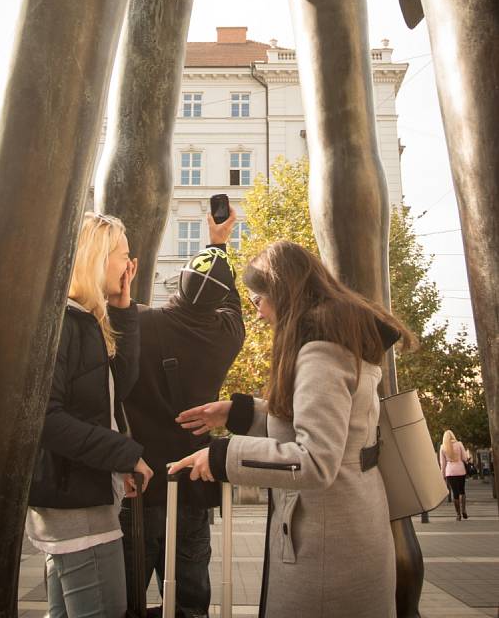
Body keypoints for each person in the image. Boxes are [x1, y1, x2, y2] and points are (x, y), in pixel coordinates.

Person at [169, 240, 415, 618]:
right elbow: (324, 421)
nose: (258, 313)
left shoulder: (321, 351)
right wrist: (237, 413)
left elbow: (316, 459)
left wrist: (221, 457)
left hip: (325, 543)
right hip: (345, 525)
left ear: (283, 294)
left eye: (257, 301)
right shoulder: (337, 339)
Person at [27, 212, 153, 618]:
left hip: (79, 496)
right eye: (123, 254)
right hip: (75, 506)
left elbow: (122, 384)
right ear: (97, 257)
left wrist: (123, 305)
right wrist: (124, 455)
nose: (129, 264)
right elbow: (44, 417)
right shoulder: (63, 322)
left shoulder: (83, 320)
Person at [121, 209, 245, 618]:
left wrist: (213, 244)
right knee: (190, 599)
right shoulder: (227, 336)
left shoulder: (137, 323)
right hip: (191, 483)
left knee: (127, 600)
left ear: (178, 284)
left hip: (137, 485)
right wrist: (220, 244)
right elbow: (232, 304)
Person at [439, 430, 469, 520]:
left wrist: (442, 475)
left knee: (455, 493)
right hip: (460, 470)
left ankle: (458, 514)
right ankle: (464, 510)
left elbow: (442, 464)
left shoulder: (442, 447)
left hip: (450, 471)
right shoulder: (459, 444)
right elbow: (464, 458)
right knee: (462, 491)